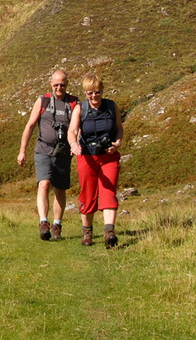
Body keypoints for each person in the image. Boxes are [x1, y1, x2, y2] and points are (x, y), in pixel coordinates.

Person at [17, 70, 79, 241]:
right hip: (43, 149)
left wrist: (76, 144)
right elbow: (30, 125)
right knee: (44, 184)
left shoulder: (74, 103)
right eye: (56, 84)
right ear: (50, 83)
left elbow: (77, 127)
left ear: (67, 84)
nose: (59, 88)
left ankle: (57, 225)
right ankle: (43, 222)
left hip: (63, 152)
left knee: (60, 189)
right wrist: (22, 151)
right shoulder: (43, 100)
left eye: (62, 85)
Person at [68, 73, 124, 248]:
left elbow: (119, 128)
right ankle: (87, 231)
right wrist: (74, 144)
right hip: (87, 157)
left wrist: (117, 143)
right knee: (88, 193)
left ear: (102, 91)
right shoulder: (80, 109)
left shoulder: (111, 106)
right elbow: (72, 130)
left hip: (108, 156)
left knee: (109, 191)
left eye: (97, 92)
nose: (94, 96)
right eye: (90, 93)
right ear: (85, 93)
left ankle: (109, 232)